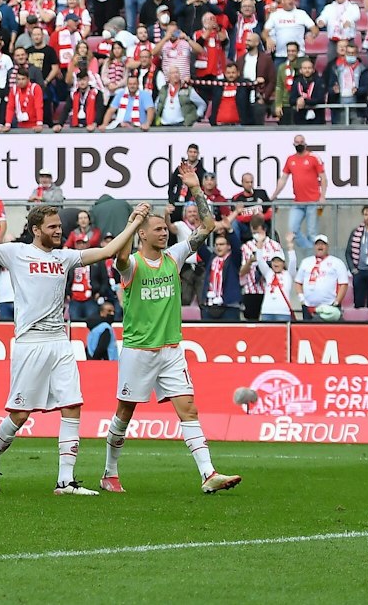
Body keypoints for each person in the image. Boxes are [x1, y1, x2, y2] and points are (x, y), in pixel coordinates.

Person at [0, 199, 135, 496]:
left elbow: (108, 252)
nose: (60, 230)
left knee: (72, 406)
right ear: (36, 229)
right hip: (30, 343)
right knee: (20, 415)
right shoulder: (17, 252)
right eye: (53, 227)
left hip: (59, 341)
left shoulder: (64, 257)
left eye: (60, 225)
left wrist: (133, 224)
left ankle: (65, 481)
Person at [99, 166, 241, 495]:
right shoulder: (131, 264)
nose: (164, 233)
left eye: (165, 229)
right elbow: (118, 256)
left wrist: (194, 188)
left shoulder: (174, 257)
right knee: (124, 412)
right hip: (138, 351)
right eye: (158, 229)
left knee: (188, 407)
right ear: (143, 235)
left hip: (171, 350)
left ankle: (208, 473)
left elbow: (207, 226)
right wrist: (132, 222)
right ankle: (109, 471)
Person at [273, 135, 324, 251]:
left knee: (312, 233)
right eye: (297, 142)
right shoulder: (290, 159)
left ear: (305, 143)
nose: (299, 144)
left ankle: (314, 258)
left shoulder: (313, 157)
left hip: (313, 201)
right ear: (293, 144)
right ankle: (311, 253)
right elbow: (283, 179)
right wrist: (274, 195)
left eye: (301, 142)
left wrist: (323, 196)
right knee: (293, 231)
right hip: (298, 202)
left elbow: (323, 178)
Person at [291, 238, 350, 321]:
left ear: (327, 246)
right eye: (317, 244)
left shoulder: (337, 262)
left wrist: (337, 302)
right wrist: (302, 300)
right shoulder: (306, 262)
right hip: (308, 306)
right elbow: (298, 282)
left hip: (329, 306)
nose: (320, 246)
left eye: (323, 244)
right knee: (308, 332)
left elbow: (343, 284)